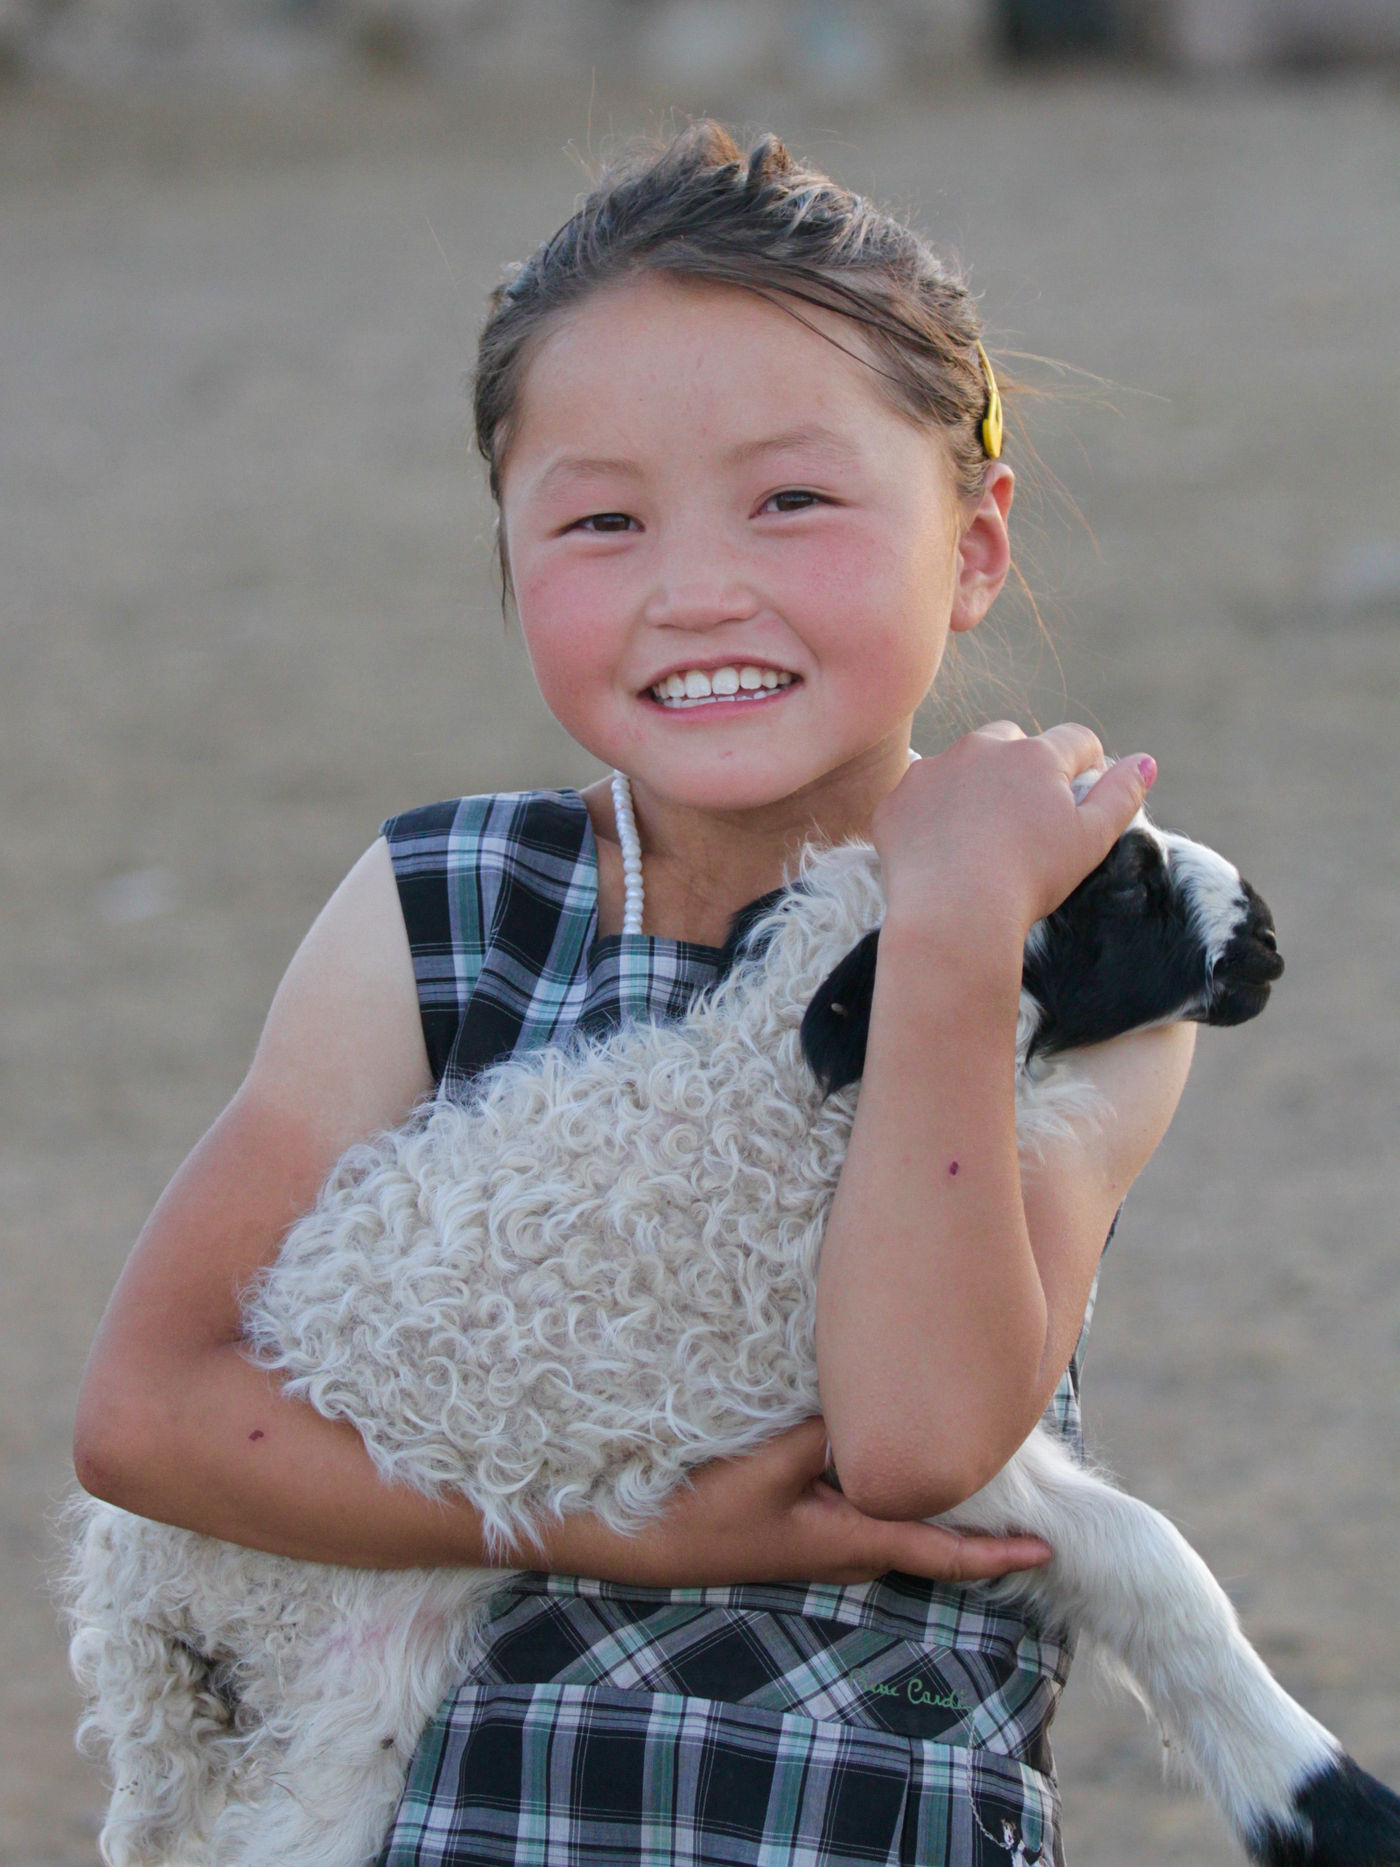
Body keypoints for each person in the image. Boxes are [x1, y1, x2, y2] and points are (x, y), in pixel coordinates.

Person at [73, 121, 1194, 1866]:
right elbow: (149, 1416)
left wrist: (956, 925)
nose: (695, 589)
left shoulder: (1100, 922)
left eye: (794, 499)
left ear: (972, 544)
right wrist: (630, 1535)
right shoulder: (445, 906)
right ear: (509, 555)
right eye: (602, 519)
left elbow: (912, 1439)